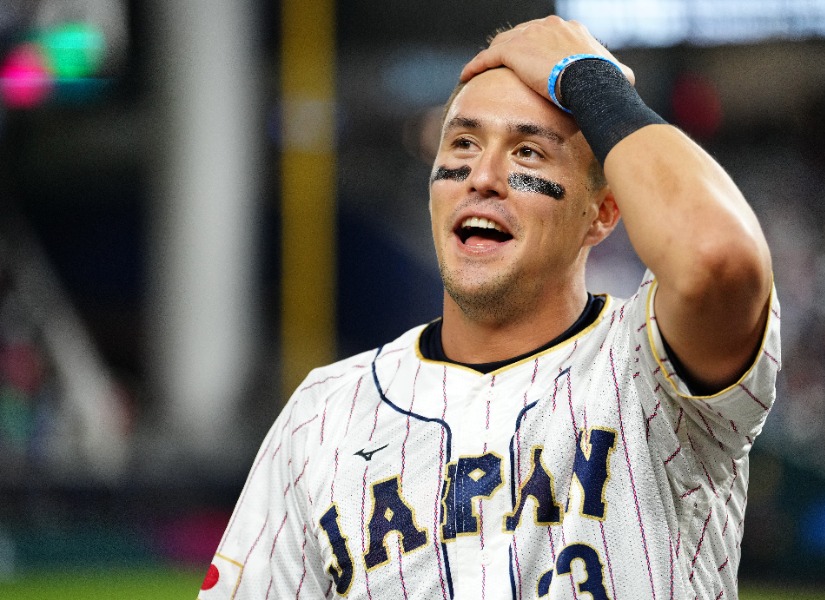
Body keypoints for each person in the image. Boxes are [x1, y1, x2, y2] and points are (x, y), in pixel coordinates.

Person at [199, 16, 780, 600]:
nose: (483, 177)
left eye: (528, 153)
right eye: (463, 144)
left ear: (603, 212)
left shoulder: (650, 373)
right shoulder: (321, 417)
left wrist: (592, 81)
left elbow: (716, 259)